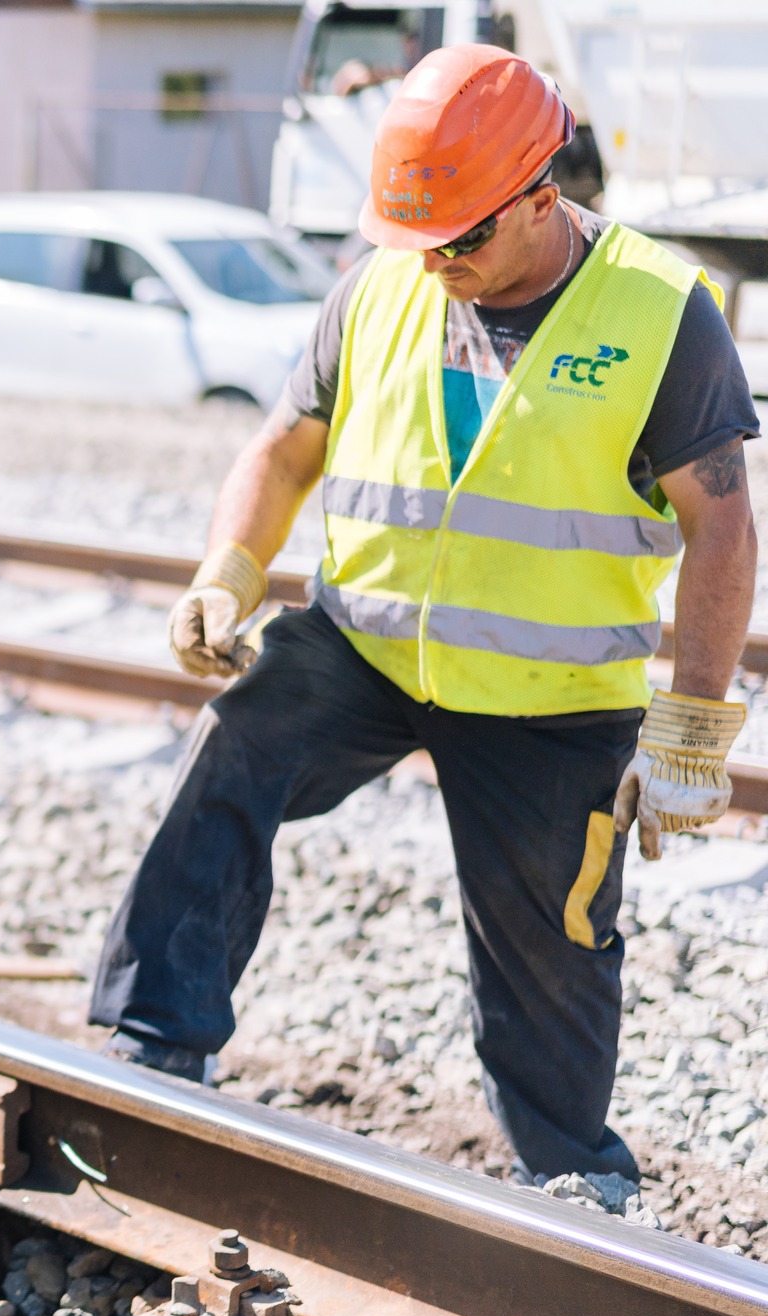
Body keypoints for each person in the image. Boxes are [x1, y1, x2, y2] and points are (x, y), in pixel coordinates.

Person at [90, 46, 759, 1187]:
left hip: (549, 698)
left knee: (552, 949)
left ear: (540, 197)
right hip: (364, 642)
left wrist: (690, 719)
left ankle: (571, 1180)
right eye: (415, 240)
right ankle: (151, 1049)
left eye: (459, 240)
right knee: (231, 754)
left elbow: (723, 528)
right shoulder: (378, 280)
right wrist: (227, 571)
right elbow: (283, 444)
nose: (433, 263)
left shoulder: (660, 312)